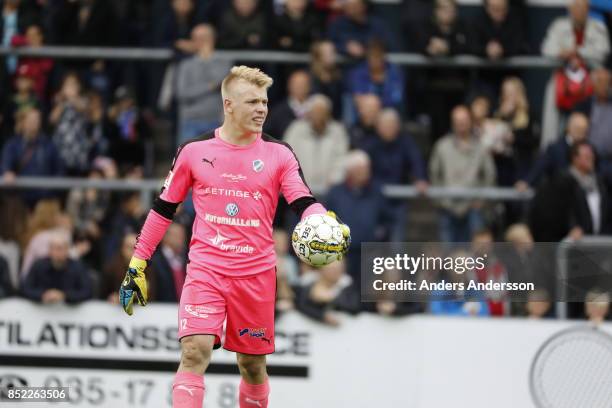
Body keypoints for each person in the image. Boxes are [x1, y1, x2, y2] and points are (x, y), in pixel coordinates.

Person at [118, 66, 350, 408]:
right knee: (194, 352)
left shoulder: (279, 153)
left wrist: (322, 221)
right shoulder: (194, 151)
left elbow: (303, 199)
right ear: (228, 105)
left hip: (255, 275)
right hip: (206, 270)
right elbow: (163, 210)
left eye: (265, 102)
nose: (261, 109)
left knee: (252, 366)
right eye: (252, 101)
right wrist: (137, 264)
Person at [429, 105, 496, 242]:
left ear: (470, 121)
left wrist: (482, 199)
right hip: (447, 207)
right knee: (448, 256)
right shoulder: (442, 146)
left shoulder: (481, 147)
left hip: (473, 208)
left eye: (464, 120)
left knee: (476, 257)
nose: (461, 124)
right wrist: (440, 200)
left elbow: (490, 175)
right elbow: (434, 174)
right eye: (457, 120)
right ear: (452, 123)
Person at [176, 24, 232, 146]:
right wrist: (210, 87)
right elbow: (182, 94)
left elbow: (221, 82)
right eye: (196, 38)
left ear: (212, 39)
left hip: (216, 122)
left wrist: (206, 60)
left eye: (204, 38)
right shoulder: (185, 65)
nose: (200, 42)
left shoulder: (224, 61)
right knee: (187, 162)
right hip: (190, 121)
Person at [21, 230, 92, 304]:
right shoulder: (39, 265)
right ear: (49, 250)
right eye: (54, 248)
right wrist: (43, 295)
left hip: (70, 313)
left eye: (61, 248)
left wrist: (64, 296)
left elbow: (87, 292)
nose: (58, 252)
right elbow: (25, 288)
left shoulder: (78, 267)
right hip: (41, 312)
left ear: (67, 249)